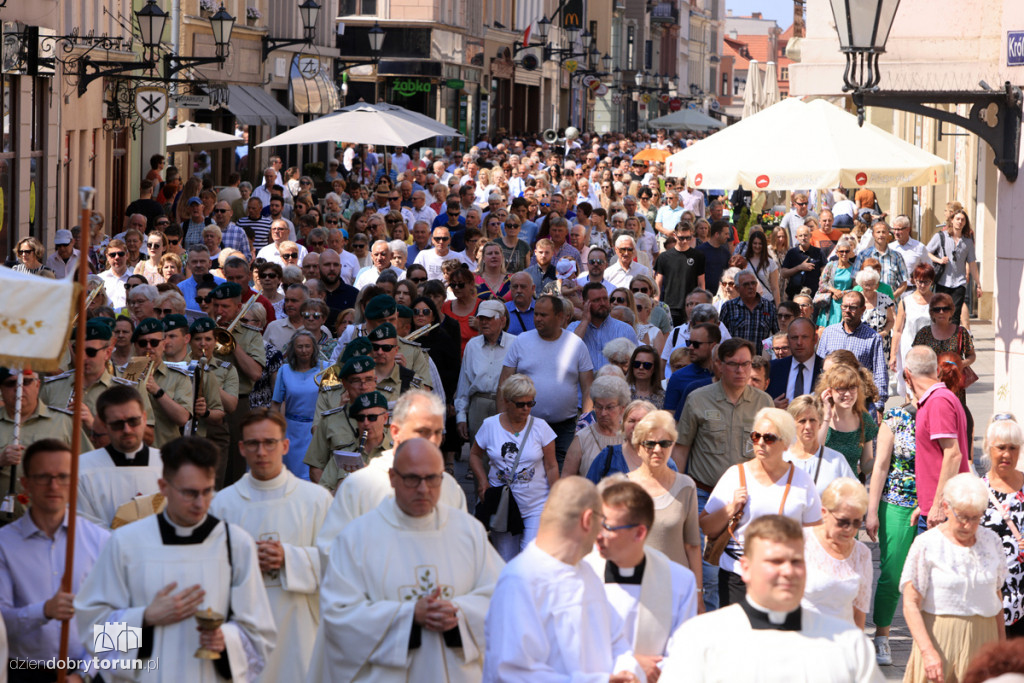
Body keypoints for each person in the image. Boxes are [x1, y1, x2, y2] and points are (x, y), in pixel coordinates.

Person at [75, 436, 276, 681]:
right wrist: (145, 618)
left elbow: (261, 636)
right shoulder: (126, 543)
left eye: (207, 491)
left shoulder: (235, 544)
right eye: (190, 493)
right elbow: (92, 630)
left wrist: (227, 640)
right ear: (163, 487)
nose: (201, 503)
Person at [319, 438, 503, 682]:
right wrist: (409, 616)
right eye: (412, 478)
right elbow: (337, 614)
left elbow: (501, 599)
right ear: (393, 478)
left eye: (432, 478)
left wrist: (458, 612)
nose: (423, 489)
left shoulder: (469, 532)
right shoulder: (356, 538)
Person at [661, 515, 883, 682]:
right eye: (775, 561)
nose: (787, 571)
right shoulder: (701, 638)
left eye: (796, 561)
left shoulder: (848, 643)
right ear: (745, 568)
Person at [209, 409, 333, 683]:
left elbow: (339, 563)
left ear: (285, 445)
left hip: (300, 627)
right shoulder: (223, 504)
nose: (261, 451)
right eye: (253, 443)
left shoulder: (316, 499)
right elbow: (207, 569)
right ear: (241, 448)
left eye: (270, 442)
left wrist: (288, 557)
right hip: (243, 626)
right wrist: (244, 560)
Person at [483, 477, 644, 682]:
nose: (602, 532)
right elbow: (512, 672)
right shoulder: (520, 581)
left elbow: (615, 638)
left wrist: (627, 669)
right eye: (601, 521)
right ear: (587, 520)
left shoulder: (587, 572)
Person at [0, 439, 110, 683]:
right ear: (25, 484)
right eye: (43, 477)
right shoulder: (4, 545)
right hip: (23, 673)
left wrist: (84, 674)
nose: (54, 485)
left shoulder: (101, 541)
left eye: (63, 476)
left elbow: (120, 619)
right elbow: (0, 623)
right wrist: (44, 611)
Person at [312, 390, 466, 563]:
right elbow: (330, 548)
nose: (430, 441)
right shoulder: (359, 484)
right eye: (421, 431)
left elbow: (464, 549)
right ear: (395, 431)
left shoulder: (450, 486)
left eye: (437, 432)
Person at [701, 407, 823, 607]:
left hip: (784, 575)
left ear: (785, 443)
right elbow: (706, 525)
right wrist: (731, 508)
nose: (760, 443)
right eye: (756, 436)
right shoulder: (736, 475)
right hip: (738, 575)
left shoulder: (801, 480)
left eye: (769, 438)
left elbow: (815, 532)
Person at [583, 480, 699, 681]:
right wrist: (632, 664)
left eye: (608, 527)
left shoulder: (680, 582)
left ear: (639, 533)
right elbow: (573, 646)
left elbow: (684, 653)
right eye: (598, 523)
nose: (598, 535)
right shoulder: (582, 574)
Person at [901, 473, 1006, 683]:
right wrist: (927, 651)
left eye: (975, 517)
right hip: (939, 640)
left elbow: (997, 598)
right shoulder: (926, 544)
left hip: (983, 640)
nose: (968, 524)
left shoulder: (992, 541)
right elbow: (910, 603)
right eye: (963, 517)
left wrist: (1001, 651)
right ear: (946, 507)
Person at [470, 374, 559, 561]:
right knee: (506, 560)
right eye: (520, 404)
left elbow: (551, 465)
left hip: (535, 505)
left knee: (530, 558)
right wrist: (482, 482)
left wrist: (556, 496)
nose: (526, 409)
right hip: (503, 507)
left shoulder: (541, 427)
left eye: (530, 403)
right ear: (506, 402)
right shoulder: (490, 425)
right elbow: (475, 455)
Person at [499, 295, 595, 466]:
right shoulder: (522, 340)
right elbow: (504, 382)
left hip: (565, 428)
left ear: (560, 316)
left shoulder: (576, 344)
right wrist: (502, 420)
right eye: (536, 314)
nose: (537, 319)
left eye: (543, 315)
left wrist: (584, 424)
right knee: (527, 474)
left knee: (563, 475)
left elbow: (588, 387)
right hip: (525, 424)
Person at [864, 393, 919, 666]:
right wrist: (871, 510)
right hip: (897, 502)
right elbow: (881, 465)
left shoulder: (951, 412)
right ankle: (882, 634)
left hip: (934, 504)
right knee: (891, 572)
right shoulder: (896, 418)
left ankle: (927, 635)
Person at [627, 410, 703, 581]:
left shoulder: (686, 486)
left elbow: (692, 545)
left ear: (673, 445)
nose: (657, 449)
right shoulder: (624, 488)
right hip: (636, 585)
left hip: (677, 586)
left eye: (665, 443)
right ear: (638, 447)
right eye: (649, 444)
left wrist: (698, 592)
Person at [76, 385, 163, 528]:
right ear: (104, 426)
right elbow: (84, 528)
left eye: (133, 421)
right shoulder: (82, 469)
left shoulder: (169, 466)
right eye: (117, 424)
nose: (127, 430)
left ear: (144, 418)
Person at [903, 346, 969, 531]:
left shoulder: (938, 401)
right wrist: (926, 505)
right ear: (937, 370)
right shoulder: (937, 399)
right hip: (936, 510)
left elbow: (953, 454)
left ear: (907, 375)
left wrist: (938, 505)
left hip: (945, 512)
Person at [801, 478, 873, 628]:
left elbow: (859, 612)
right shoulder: (800, 542)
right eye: (843, 522)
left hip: (843, 643)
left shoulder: (862, 553)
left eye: (857, 523)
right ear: (824, 513)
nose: (850, 529)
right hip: (803, 641)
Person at [979, 418, 1024, 637]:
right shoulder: (977, 491)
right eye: (1001, 448)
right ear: (989, 448)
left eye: (1013, 448)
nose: (1006, 454)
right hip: (989, 597)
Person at [817, 291, 889, 416]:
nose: (847, 311)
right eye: (844, 307)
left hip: (858, 402)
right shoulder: (829, 333)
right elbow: (818, 369)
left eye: (853, 307)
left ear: (863, 310)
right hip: (830, 399)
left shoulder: (872, 338)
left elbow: (880, 373)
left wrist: (879, 406)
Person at [270, 330, 327, 480]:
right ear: (293, 349)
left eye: (308, 346)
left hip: (318, 430)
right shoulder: (284, 371)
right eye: (299, 346)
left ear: (314, 348)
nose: (304, 350)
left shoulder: (326, 369)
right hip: (292, 432)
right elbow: (276, 405)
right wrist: (274, 432)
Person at [455, 300, 513, 444]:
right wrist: (461, 416)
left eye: (489, 318)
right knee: (478, 454)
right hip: (478, 404)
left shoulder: (515, 344)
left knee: (504, 451)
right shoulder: (472, 345)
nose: (484, 322)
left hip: (507, 405)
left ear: (502, 320)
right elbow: (464, 382)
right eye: (481, 318)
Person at [784, 395, 856, 496]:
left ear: (820, 423)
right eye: (802, 421)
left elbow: (856, 497)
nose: (808, 426)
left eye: (813, 420)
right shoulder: (781, 458)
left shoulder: (836, 460)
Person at [912, 292, 976, 401]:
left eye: (945, 309)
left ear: (951, 312)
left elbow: (972, 356)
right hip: (930, 385)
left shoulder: (961, 332)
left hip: (955, 386)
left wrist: (961, 364)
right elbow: (914, 359)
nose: (941, 312)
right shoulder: (924, 333)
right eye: (937, 309)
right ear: (932, 313)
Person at [562, 376, 630, 478]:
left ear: (622, 408)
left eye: (609, 407)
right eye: (598, 406)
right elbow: (567, 478)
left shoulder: (629, 437)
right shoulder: (582, 438)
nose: (603, 413)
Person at [926, 209, 980, 327]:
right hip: (942, 282)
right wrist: (939, 260)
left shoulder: (968, 242)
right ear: (952, 220)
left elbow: (972, 263)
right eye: (957, 219)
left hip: (959, 283)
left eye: (962, 220)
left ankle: (952, 344)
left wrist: (978, 284)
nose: (960, 222)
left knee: (955, 316)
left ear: (965, 223)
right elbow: (926, 252)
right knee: (941, 314)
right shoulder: (940, 236)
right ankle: (941, 341)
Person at [570, 283, 640, 372]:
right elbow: (569, 351)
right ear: (585, 304)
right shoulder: (574, 327)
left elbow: (634, 364)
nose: (602, 303)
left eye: (605, 299)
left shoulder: (625, 330)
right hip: (583, 385)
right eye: (596, 300)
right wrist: (584, 322)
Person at [663, 321, 721, 419]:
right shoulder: (678, 377)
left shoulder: (726, 375)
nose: (690, 347)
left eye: (696, 344)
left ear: (713, 346)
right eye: (689, 342)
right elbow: (669, 419)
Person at [654, 221, 706, 325]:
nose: (685, 241)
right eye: (681, 238)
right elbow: (658, 283)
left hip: (692, 305)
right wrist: (656, 301)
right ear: (675, 235)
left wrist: (702, 303)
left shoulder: (698, 256)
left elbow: (701, 282)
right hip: (671, 305)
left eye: (688, 238)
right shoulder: (664, 257)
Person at [766, 317, 824, 408]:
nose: (799, 342)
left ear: (815, 339)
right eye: (794, 337)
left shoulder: (825, 369)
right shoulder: (773, 369)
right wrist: (771, 406)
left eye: (804, 337)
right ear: (788, 340)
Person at [719, 270, 778, 354]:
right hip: (736, 359)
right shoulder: (728, 307)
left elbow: (776, 335)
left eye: (753, 283)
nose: (751, 287)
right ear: (737, 288)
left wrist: (768, 355)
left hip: (759, 361)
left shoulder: (768, 307)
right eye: (746, 284)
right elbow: (721, 336)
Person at [815, 235, 857, 327]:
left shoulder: (854, 268)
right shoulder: (830, 265)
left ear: (850, 253)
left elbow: (856, 288)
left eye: (847, 251)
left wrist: (843, 292)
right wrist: (835, 291)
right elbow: (822, 283)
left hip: (846, 303)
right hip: (830, 303)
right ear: (837, 253)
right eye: (841, 251)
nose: (844, 254)